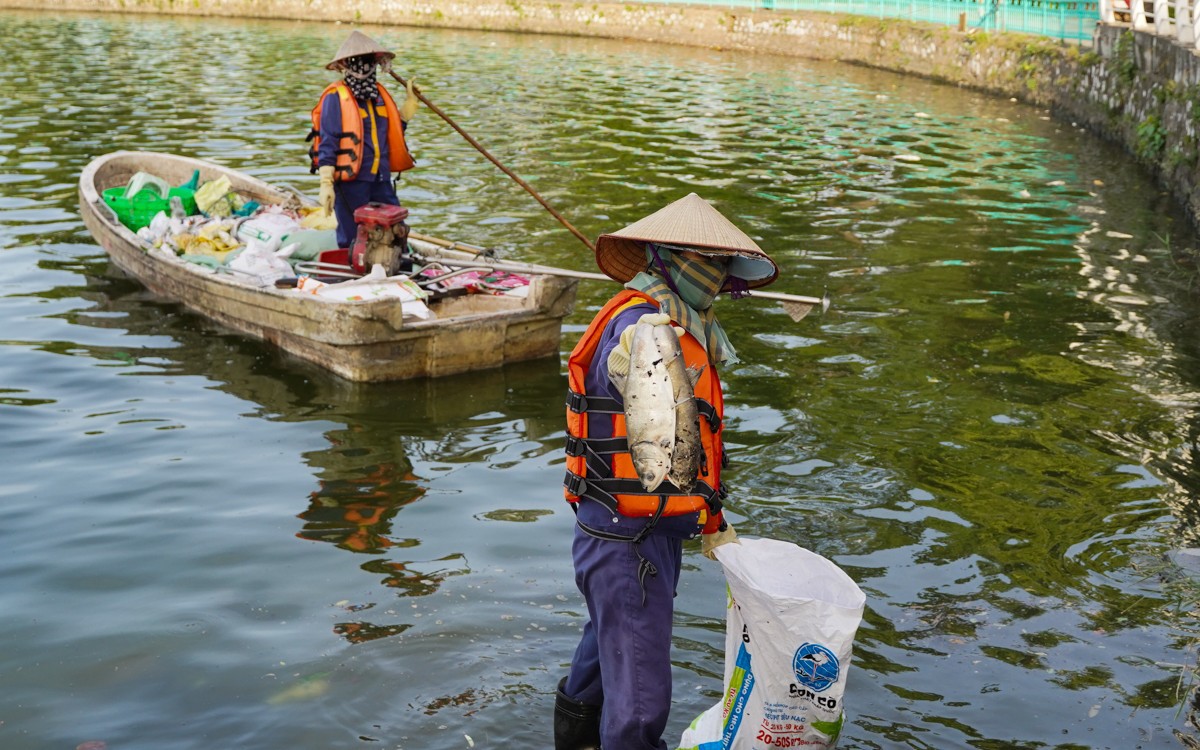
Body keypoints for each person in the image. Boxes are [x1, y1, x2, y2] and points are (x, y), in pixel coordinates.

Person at [556, 193, 780, 750]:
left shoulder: (678, 321)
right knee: (639, 705)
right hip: (630, 538)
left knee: (604, 658)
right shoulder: (640, 325)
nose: (721, 277)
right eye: (713, 263)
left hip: (623, 530)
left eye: (725, 266)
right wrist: (628, 357)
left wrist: (711, 520)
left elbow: (690, 444)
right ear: (677, 259)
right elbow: (623, 384)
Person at [308, 30, 419, 250]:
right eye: (357, 63)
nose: (363, 69)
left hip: (380, 179)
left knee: (395, 231)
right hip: (351, 181)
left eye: (368, 63)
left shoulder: (377, 95)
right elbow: (329, 142)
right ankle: (351, 275)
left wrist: (409, 106)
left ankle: (398, 268)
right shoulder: (335, 98)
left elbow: (391, 131)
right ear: (346, 67)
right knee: (353, 238)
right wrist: (326, 183)